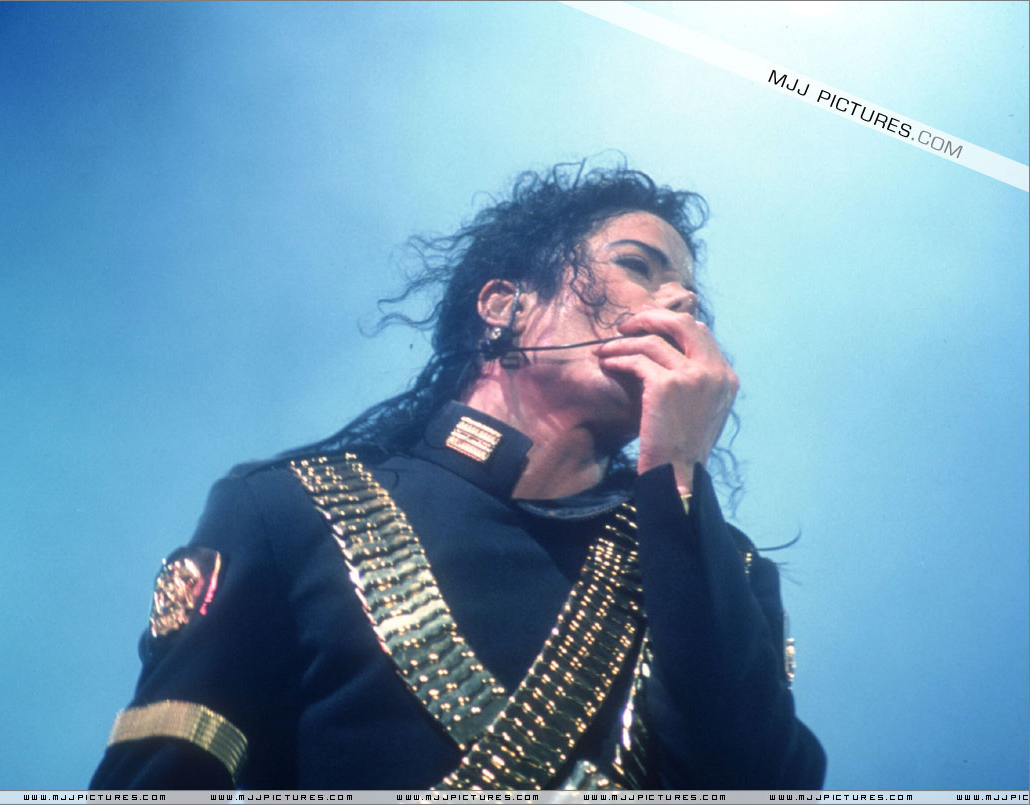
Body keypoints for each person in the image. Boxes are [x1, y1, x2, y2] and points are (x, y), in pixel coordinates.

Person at [89, 162, 826, 790]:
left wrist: (677, 477)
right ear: (505, 305)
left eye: (692, 298)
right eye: (638, 265)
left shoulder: (724, 570)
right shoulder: (294, 511)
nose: (681, 304)